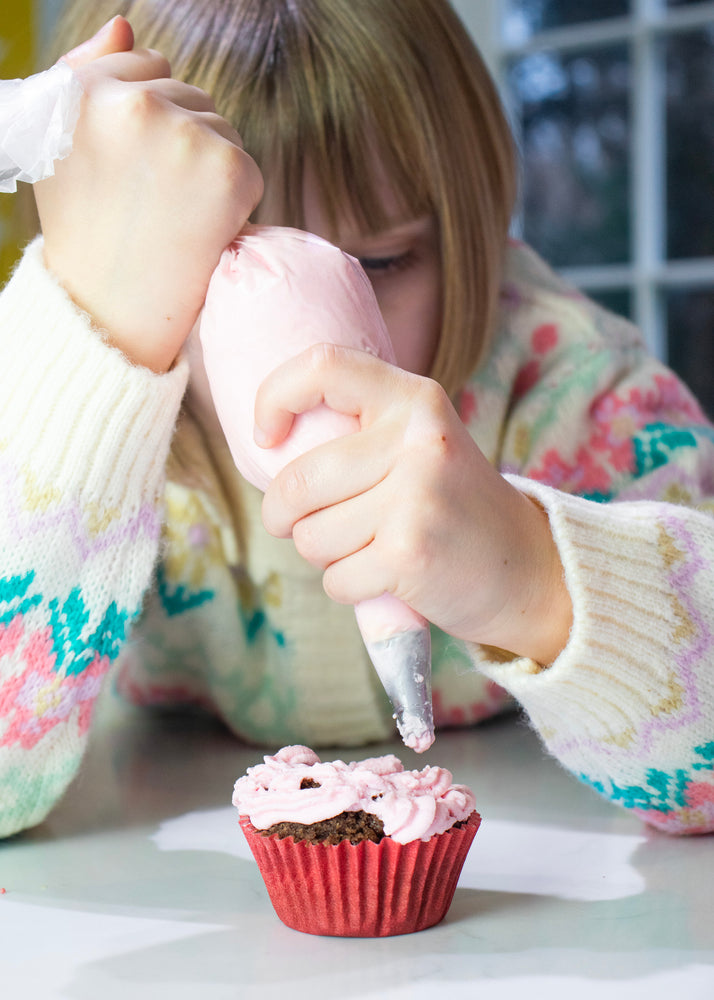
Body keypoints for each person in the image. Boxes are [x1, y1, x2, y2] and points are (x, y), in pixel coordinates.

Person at [1, 0, 713, 840]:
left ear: (476, 228)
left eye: (382, 261)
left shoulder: (579, 396)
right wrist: (99, 337)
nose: (312, 356)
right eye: (217, 266)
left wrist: (538, 578)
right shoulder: (57, 397)